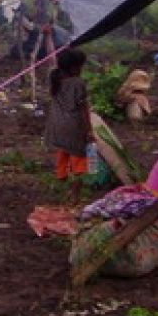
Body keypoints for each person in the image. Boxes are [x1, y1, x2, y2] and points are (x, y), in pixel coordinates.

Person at [45, 48, 91, 204]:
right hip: (73, 125)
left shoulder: (54, 78)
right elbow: (83, 109)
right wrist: (89, 130)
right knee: (79, 159)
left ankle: (61, 180)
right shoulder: (78, 83)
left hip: (56, 124)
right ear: (74, 68)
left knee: (63, 151)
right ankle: (75, 195)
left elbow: (51, 58)